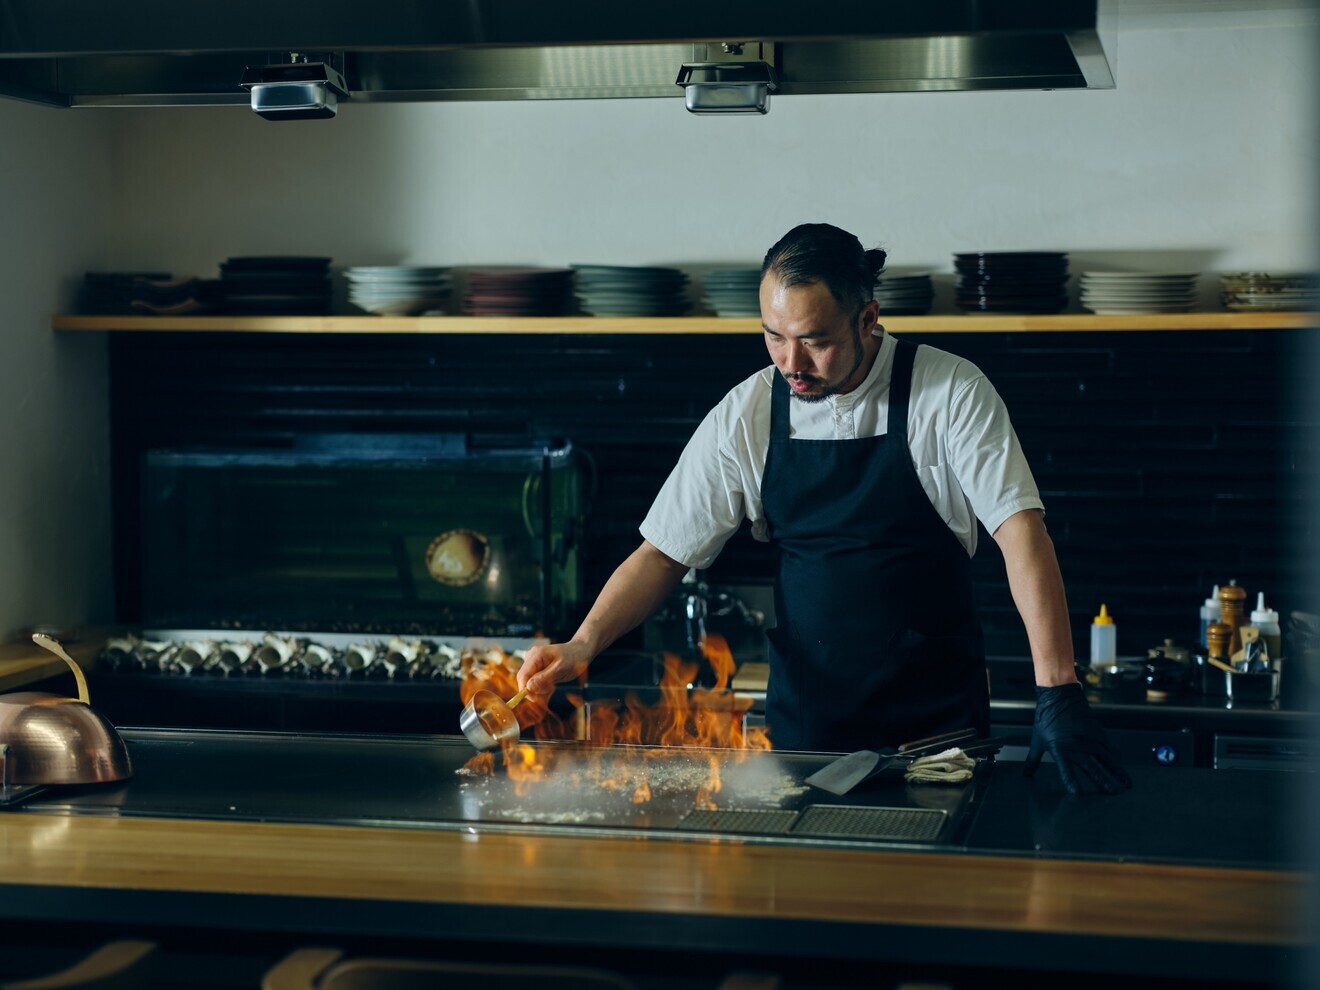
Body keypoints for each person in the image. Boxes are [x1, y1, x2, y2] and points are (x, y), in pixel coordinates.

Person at [518, 222, 1131, 795]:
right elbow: (662, 552)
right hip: (806, 741)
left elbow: (1022, 533)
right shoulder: (748, 412)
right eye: (773, 336)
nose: (791, 363)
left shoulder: (950, 392)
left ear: (868, 318)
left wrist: (1058, 689)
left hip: (938, 740)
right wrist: (582, 644)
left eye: (815, 341)